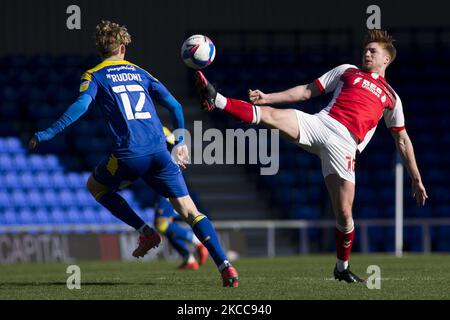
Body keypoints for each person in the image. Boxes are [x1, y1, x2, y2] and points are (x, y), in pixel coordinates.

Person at [194, 29, 428, 283]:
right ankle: (216, 99)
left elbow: (402, 139)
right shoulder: (348, 71)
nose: (367, 53)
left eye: (373, 51)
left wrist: (415, 178)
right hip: (321, 124)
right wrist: (268, 97)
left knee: (345, 216)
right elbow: (307, 91)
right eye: (365, 50)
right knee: (270, 115)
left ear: (387, 60)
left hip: (346, 145)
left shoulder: (392, 98)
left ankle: (342, 267)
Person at [29, 20, 238, 287]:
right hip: (160, 152)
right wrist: (182, 141)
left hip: (129, 155)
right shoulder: (140, 72)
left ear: (100, 48)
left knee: (96, 186)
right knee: (189, 210)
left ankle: (145, 232)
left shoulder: (94, 75)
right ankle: (225, 267)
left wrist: (48, 132)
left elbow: (81, 106)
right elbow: (174, 105)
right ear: (123, 47)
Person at [153, 127, 209, 270]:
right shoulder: (155, 128)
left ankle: (198, 242)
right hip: (161, 179)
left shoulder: (160, 130)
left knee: (161, 224)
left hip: (167, 178)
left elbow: (174, 147)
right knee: (165, 223)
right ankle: (188, 258)